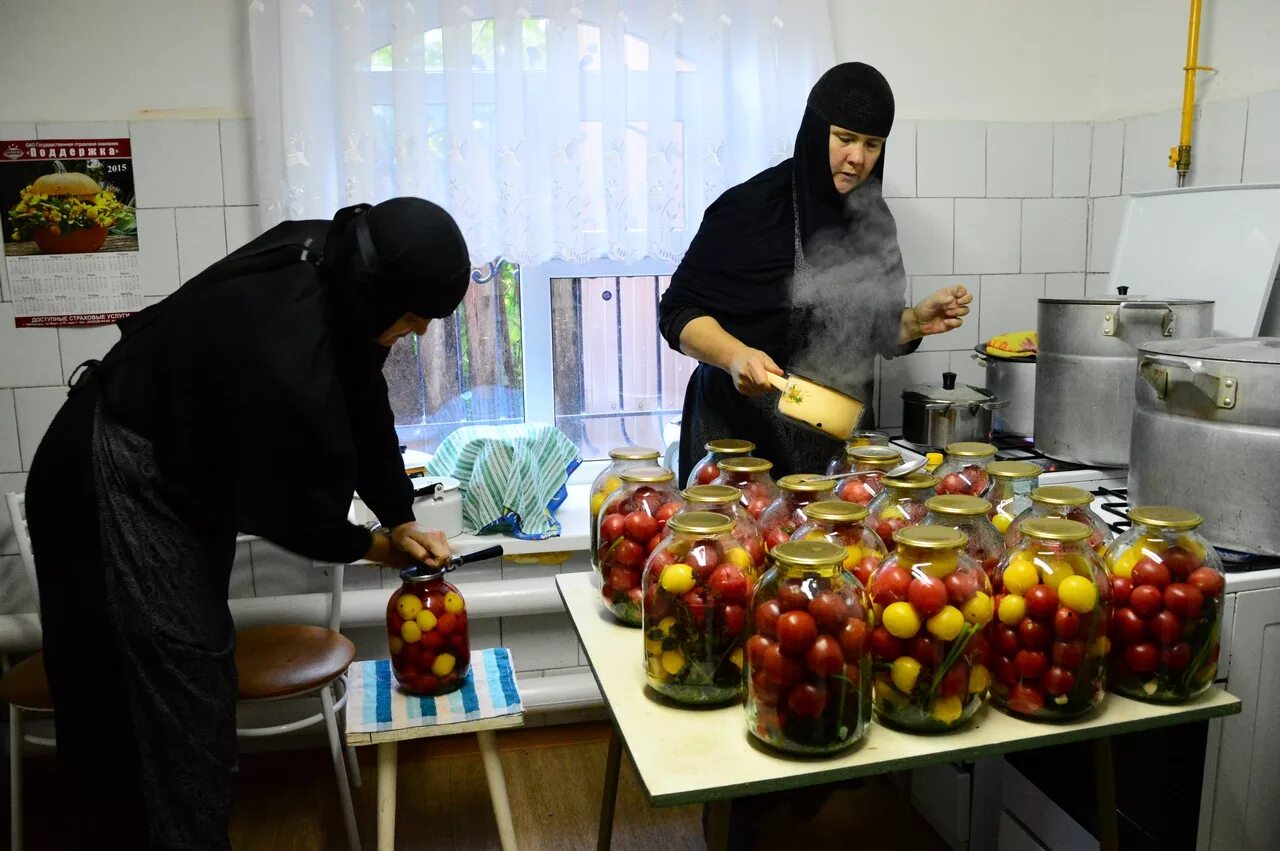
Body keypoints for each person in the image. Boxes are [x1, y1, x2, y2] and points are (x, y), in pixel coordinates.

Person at [23, 197, 471, 848]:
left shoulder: (342, 273)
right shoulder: (285, 338)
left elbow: (365, 403)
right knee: (146, 707)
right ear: (380, 292)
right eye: (411, 319)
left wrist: (399, 516)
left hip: (168, 473)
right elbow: (292, 509)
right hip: (105, 472)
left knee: (195, 682)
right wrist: (378, 548)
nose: (420, 333)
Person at [659, 62, 971, 482]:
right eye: (844, 138)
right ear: (814, 131)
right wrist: (735, 356)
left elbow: (869, 330)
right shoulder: (750, 208)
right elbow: (677, 311)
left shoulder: (872, 220)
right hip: (738, 448)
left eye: (872, 144)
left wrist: (914, 321)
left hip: (833, 449)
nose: (857, 158)